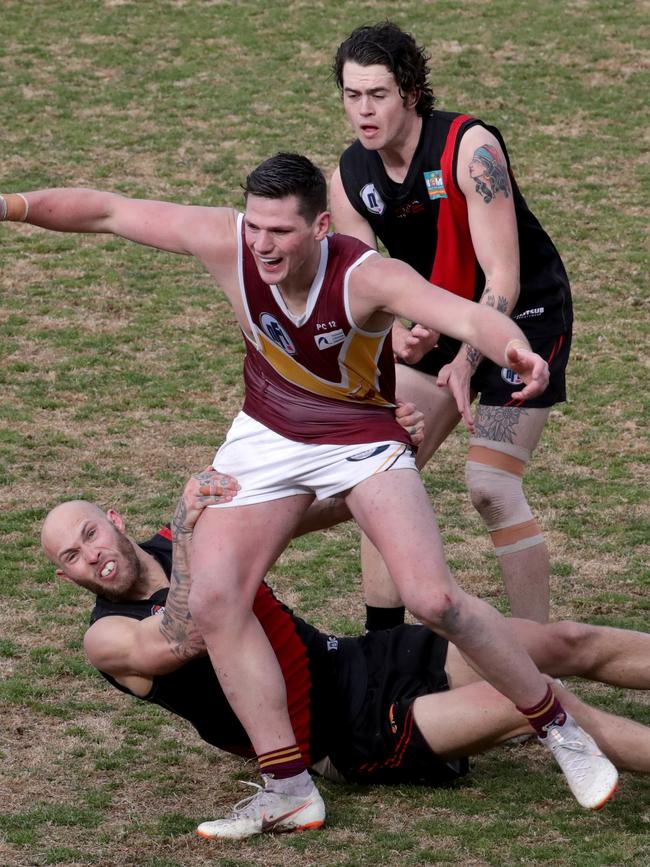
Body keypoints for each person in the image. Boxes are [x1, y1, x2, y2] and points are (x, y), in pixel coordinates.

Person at [0, 156, 608, 838]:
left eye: (280, 231)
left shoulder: (364, 275)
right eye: (254, 226)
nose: (261, 244)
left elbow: (460, 313)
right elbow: (106, 210)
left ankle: (559, 728)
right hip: (268, 431)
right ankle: (287, 786)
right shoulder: (227, 242)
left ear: (320, 226)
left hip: (357, 433)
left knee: (433, 597)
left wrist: (515, 348)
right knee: (214, 596)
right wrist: (12, 205)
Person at [40, 477, 650, 842]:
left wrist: (395, 447)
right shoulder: (109, 637)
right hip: (341, 735)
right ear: (64, 576)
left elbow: (320, 510)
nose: (90, 557)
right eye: (70, 557)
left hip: (358, 659)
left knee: (562, 640)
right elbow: (181, 639)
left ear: (113, 520)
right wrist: (194, 534)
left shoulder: (180, 542)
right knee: (531, 697)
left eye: (90, 535)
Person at [331, 22, 574, 625]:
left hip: (522, 322)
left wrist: (469, 359)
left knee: (490, 488)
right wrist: (396, 333)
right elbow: (363, 291)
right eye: (352, 95)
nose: (364, 111)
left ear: (410, 92)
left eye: (378, 95)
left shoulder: (472, 149)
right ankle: (386, 657)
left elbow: (503, 278)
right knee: (381, 467)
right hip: (442, 325)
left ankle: (539, 655)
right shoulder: (348, 180)